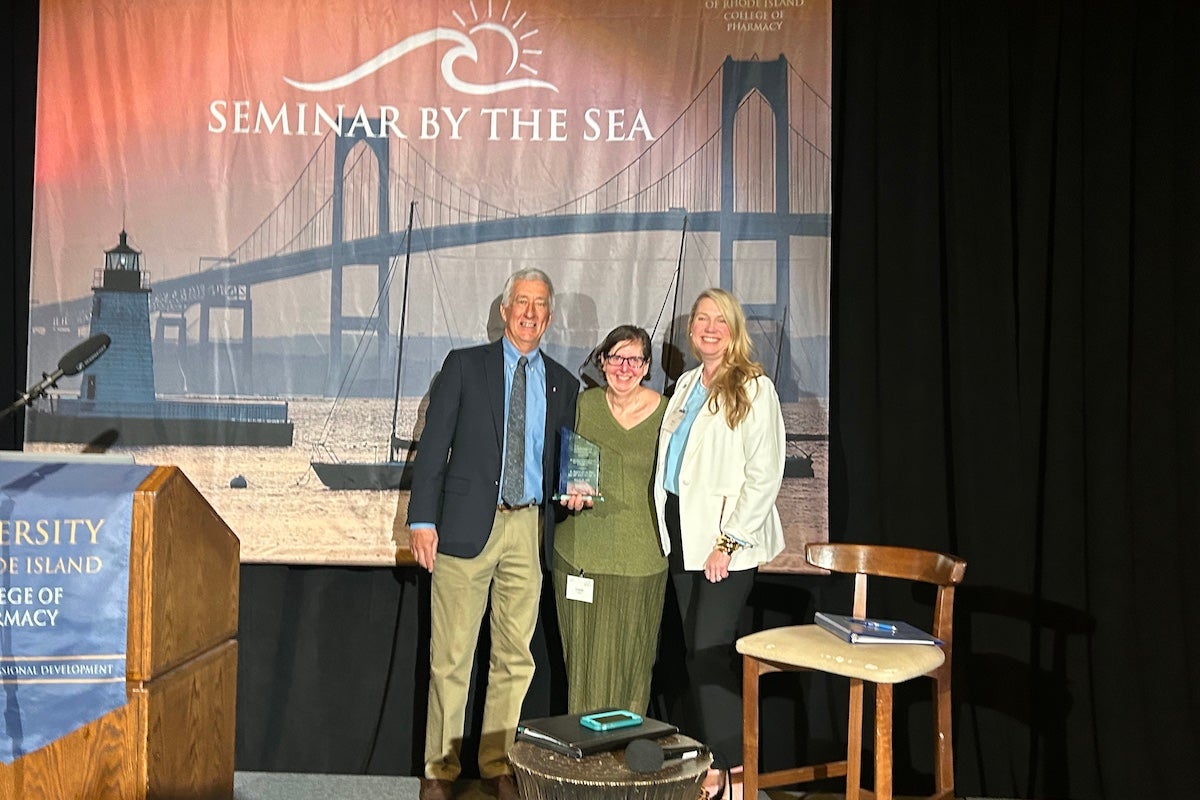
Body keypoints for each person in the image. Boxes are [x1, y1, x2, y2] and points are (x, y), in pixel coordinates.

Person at [406, 268, 578, 800]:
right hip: (462, 528)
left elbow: (565, 461)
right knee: (451, 658)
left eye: (540, 304)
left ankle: (499, 765)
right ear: (504, 311)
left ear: (549, 317)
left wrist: (574, 490)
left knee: (515, 657)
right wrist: (421, 519)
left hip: (528, 529)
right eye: (521, 302)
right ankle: (440, 771)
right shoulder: (464, 366)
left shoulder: (564, 383)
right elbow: (434, 448)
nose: (529, 312)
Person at [653, 288, 785, 798]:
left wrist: (727, 543)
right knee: (691, 654)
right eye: (701, 319)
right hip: (683, 535)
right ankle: (710, 766)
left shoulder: (754, 387)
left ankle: (731, 775)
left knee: (708, 652)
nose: (709, 328)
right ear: (691, 330)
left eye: (719, 321)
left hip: (724, 544)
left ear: (734, 330)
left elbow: (764, 476)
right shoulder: (687, 383)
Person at [553, 325, 668, 716]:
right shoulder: (583, 405)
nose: (624, 367)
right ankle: (585, 762)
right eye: (616, 357)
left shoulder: (668, 414)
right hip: (580, 552)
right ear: (602, 362)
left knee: (632, 663)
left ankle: (623, 757)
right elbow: (563, 464)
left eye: (634, 358)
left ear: (647, 365)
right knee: (583, 666)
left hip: (643, 557)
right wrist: (567, 492)